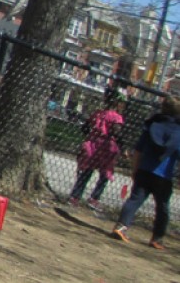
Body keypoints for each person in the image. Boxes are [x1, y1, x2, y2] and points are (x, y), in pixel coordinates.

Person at [111, 96, 180, 248]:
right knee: (162, 207)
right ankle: (157, 238)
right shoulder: (178, 130)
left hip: (144, 169)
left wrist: (135, 170)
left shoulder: (152, 125)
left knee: (134, 199)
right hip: (163, 176)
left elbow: (138, 150)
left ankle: (121, 227)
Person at [69, 89, 126, 209]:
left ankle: (75, 196)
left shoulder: (98, 114)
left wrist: (93, 135)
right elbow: (117, 133)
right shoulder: (116, 117)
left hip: (92, 145)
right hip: (107, 147)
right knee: (105, 174)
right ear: (117, 103)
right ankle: (94, 198)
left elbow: (85, 128)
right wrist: (123, 147)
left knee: (86, 172)